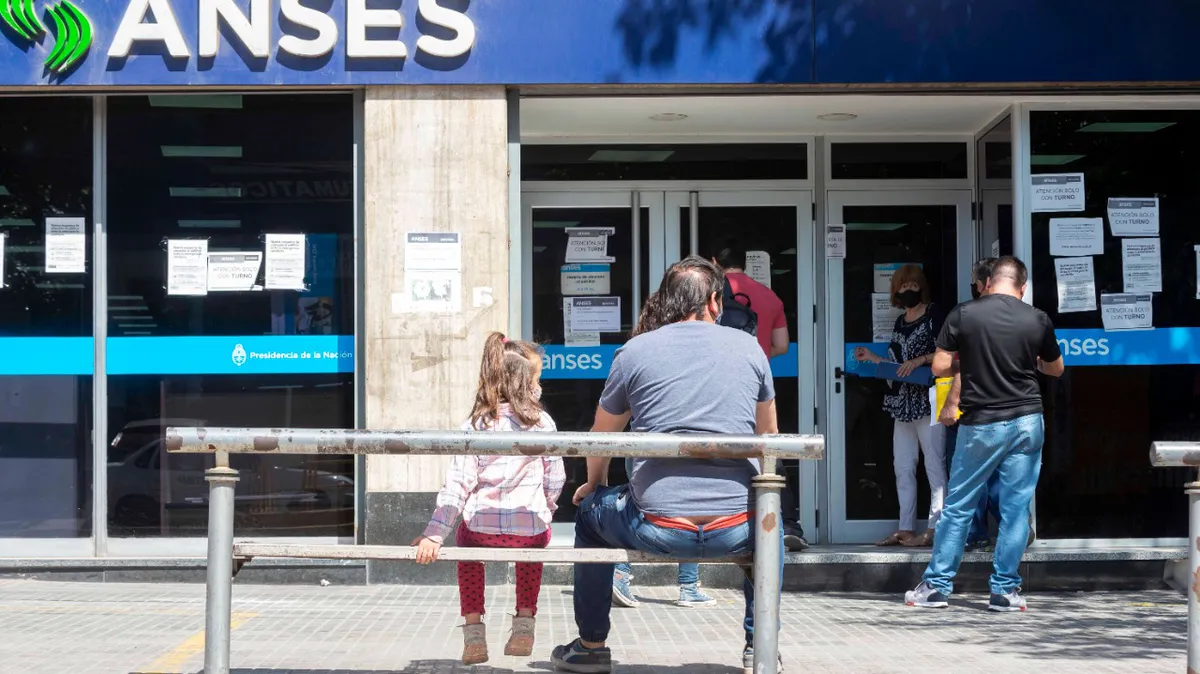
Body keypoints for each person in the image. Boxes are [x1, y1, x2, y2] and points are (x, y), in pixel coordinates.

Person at [551, 256, 782, 674]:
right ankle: (759, 646)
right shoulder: (750, 348)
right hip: (737, 527)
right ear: (714, 302)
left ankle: (590, 646)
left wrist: (595, 484)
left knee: (588, 515)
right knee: (770, 522)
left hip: (654, 526)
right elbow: (768, 440)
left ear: (666, 301)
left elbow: (600, 436)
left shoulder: (634, 351)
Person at [906, 256, 1064, 612]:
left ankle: (936, 587)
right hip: (1027, 419)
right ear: (1022, 287)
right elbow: (1055, 369)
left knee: (959, 506)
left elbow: (941, 365)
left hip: (981, 423)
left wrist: (972, 357)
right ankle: (1005, 592)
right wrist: (1029, 361)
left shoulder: (965, 314)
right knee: (1015, 509)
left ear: (989, 282)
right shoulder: (1037, 319)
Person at [412, 332, 566, 665]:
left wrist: (434, 533)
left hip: (481, 530)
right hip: (530, 530)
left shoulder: (476, 425)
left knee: (466, 547)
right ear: (526, 382)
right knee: (533, 546)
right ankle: (524, 624)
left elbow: (457, 483)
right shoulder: (543, 424)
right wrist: (547, 509)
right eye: (537, 378)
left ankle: (474, 632)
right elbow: (556, 478)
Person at [712, 239, 809, 552]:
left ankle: (725, 525)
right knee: (769, 451)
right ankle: (789, 523)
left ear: (715, 262)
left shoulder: (710, 296)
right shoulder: (769, 296)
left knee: (716, 454)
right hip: (757, 385)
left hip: (717, 386)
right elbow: (781, 345)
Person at [853, 264, 947, 548]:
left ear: (922, 287)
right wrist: (872, 357)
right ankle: (905, 527)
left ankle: (936, 527)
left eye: (913, 287)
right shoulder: (899, 321)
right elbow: (896, 364)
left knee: (934, 464)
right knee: (903, 466)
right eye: (903, 288)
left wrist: (921, 360)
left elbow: (948, 352)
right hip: (902, 402)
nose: (908, 292)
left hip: (929, 399)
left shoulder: (934, 315)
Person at [938, 258, 1001, 551]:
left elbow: (946, 365)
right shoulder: (1025, 316)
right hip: (1011, 408)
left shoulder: (965, 314)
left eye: (975, 281)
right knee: (1003, 470)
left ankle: (974, 532)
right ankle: (1013, 527)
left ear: (983, 283)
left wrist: (952, 401)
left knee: (967, 470)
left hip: (973, 406)